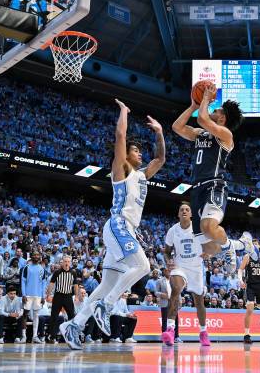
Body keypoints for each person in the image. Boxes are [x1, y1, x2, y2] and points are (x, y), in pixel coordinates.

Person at [59, 99, 165, 350]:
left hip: (127, 230)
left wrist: (160, 132)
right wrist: (124, 112)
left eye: (141, 150)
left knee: (106, 284)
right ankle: (106, 305)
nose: (140, 153)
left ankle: (74, 325)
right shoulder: (121, 169)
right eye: (136, 150)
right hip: (118, 225)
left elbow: (160, 159)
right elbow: (120, 134)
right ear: (126, 154)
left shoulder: (142, 175)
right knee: (142, 265)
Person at [172, 84, 244, 268]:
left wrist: (205, 98)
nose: (213, 108)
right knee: (208, 247)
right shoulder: (200, 134)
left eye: (217, 109)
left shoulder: (226, 135)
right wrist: (193, 107)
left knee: (209, 227)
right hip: (197, 189)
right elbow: (177, 127)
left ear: (222, 118)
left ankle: (228, 247)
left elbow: (203, 120)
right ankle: (240, 245)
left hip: (214, 185)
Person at [162, 203, 210, 346]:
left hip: (196, 267)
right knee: (176, 289)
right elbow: (166, 251)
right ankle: (170, 329)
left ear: (191, 214)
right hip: (179, 266)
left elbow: (209, 246)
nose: (184, 211)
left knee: (199, 302)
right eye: (181, 209)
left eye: (187, 209)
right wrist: (168, 261)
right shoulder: (173, 230)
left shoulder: (198, 228)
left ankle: (203, 332)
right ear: (178, 214)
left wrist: (207, 252)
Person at [46, 256, 79, 343]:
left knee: (72, 316)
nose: (67, 263)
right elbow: (51, 284)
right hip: (58, 296)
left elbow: (75, 285)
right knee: (54, 316)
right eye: (65, 261)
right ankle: (52, 336)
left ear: (70, 262)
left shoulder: (73, 272)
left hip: (68, 296)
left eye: (68, 261)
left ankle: (72, 335)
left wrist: (76, 296)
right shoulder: (57, 272)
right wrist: (48, 295)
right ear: (62, 262)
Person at [21, 251, 47, 343]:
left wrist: (43, 296)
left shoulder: (42, 269)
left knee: (36, 315)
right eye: (34, 255)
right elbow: (23, 281)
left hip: (38, 295)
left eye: (38, 255)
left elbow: (44, 283)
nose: (36, 256)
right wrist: (23, 294)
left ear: (40, 257)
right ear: (31, 256)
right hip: (27, 294)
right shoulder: (26, 268)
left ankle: (35, 336)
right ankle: (23, 336)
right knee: (25, 314)